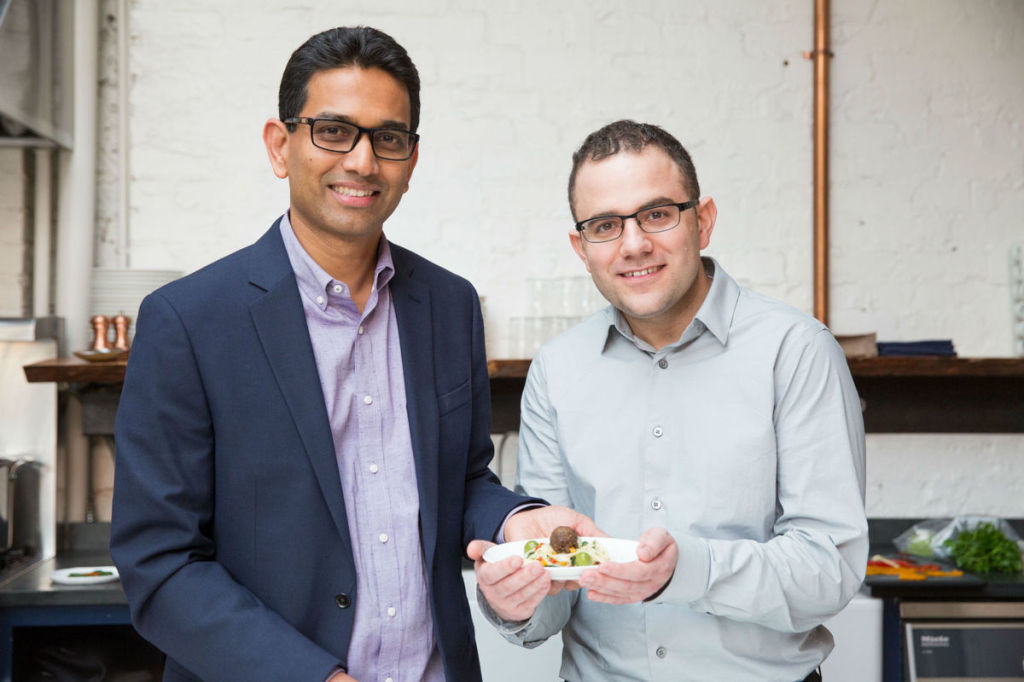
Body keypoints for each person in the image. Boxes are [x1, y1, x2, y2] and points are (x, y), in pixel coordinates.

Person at [110, 26, 593, 682]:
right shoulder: (189, 322)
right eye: (333, 130)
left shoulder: (449, 306)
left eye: (388, 138)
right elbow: (161, 566)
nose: (363, 161)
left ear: (411, 161)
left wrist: (519, 521)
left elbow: (465, 479)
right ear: (280, 147)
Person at [472, 120, 868, 681]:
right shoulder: (557, 369)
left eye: (657, 214)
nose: (634, 244)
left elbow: (829, 568)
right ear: (581, 248)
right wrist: (516, 600)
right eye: (605, 225)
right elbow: (557, 583)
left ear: (702, 221)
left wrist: (686, 570)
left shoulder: (796, 352)